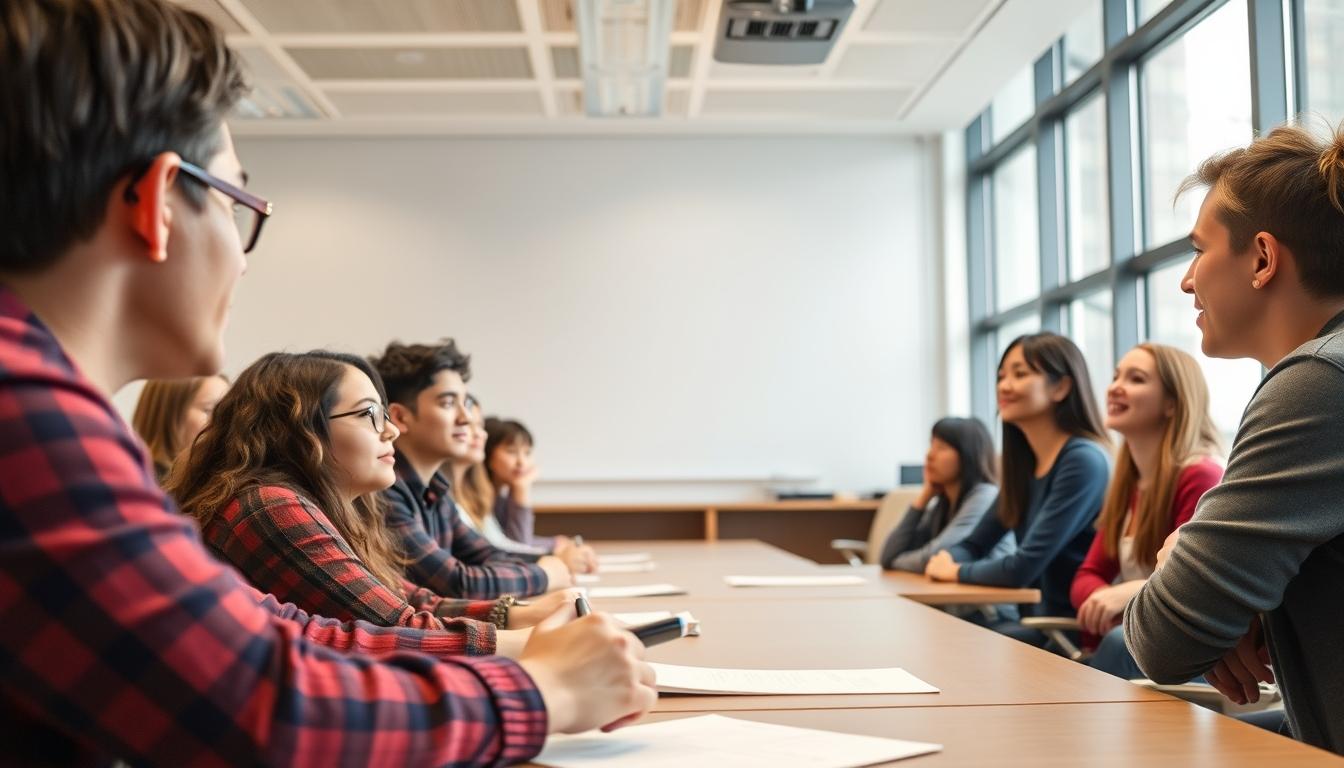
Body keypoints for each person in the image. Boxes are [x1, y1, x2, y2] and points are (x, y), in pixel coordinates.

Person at [0, 2, 653, 762]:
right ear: (157, 205)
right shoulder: (25, 412)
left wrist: (514, 654)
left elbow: (275, 635)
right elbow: (268, 708)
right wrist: (546, 693)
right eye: (240, 205)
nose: (243, 260)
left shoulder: (46, 404)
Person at [1126, 121, 1344, 753]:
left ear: (1263, 260)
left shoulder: (1317, 383)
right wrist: (1247, 601)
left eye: (1199, 250)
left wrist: (1175, 556)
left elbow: (1162, 640)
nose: (1187, 280)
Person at [167, 351, 575, 657]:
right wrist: (529, 642)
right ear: (301, 431)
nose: (392, 431)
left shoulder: (332, 504)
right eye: (369, 415)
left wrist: (518, 615)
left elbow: (412, 599)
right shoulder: (268, 505)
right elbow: (400, 627)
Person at [925, 333, 1111, 643]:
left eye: (1020, 374)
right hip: (1038, 624)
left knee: (953, 641)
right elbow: (973, 545)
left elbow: (1021, 568)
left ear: (1062, 387)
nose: (1004, 386)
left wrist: (954, 571)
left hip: (1071, 632)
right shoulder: (1024, 466)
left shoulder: (1083, 460)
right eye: (1001, 376)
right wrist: (946, 559)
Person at [1070, 344, 1222, 678]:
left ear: (1172, 403)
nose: (1115, 387)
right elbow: (1086, 577)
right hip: (1140, 644)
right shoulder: (1128, 484)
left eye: (1136, 379)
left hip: (1187, 657)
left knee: (1115, 643)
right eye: (1115, 376)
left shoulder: (1200, 475)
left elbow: (1192, 582)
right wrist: (1109, 601)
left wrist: (1135, 592)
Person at [879, 416, 1010, 572]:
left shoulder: (985, 496)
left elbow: (936, 557)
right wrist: (923, 499)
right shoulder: (945, 503)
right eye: (931, 445)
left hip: (993, 595)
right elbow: (887, 555)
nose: (929, 455)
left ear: (968, 455)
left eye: (941, 447)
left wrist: (896, 562)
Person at [484, 416, 575, 552]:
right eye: (512, 452)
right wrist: (522, 488)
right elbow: (520, 547)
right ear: (487, 454)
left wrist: (555, 543)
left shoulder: (500, 499)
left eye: (527, 453)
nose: (522, 462)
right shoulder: (481, 498)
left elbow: (513, 541)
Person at [132, 374, 229, 480]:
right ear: (169, 412)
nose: (223, 422)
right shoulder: (140, 481)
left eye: (226, 413)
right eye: (209, 410)